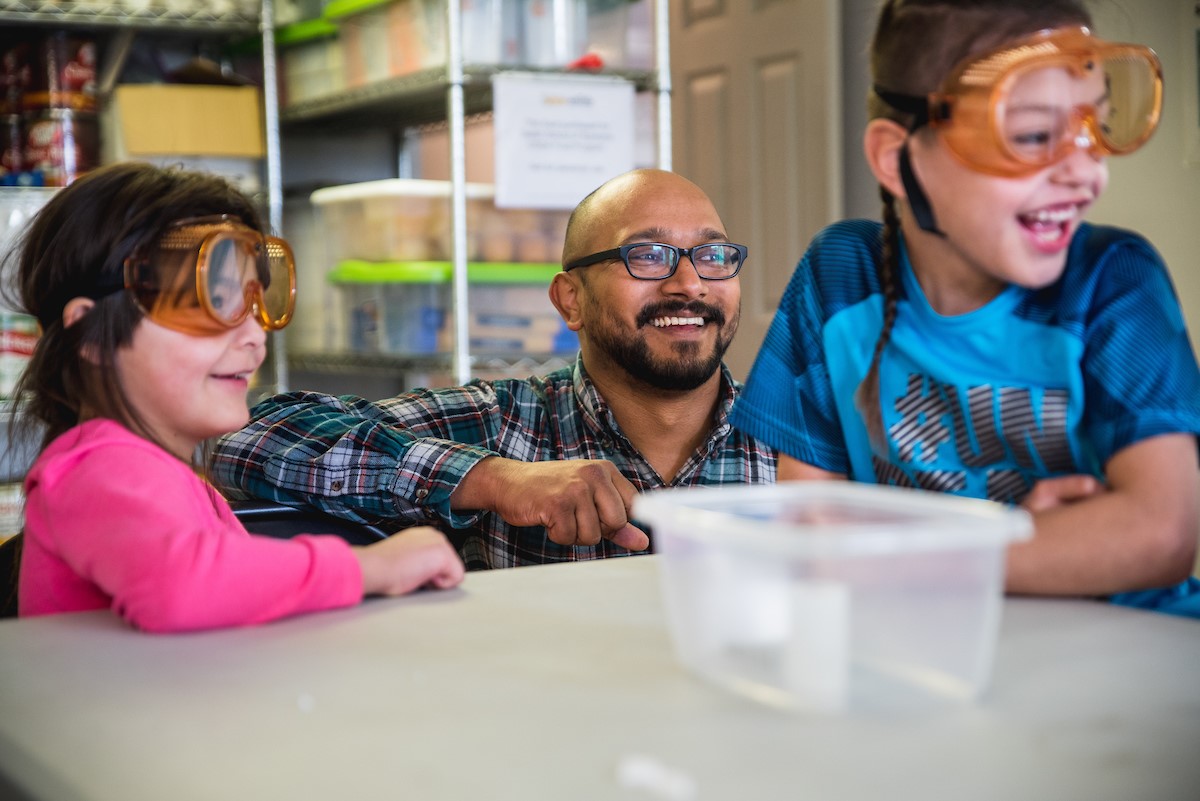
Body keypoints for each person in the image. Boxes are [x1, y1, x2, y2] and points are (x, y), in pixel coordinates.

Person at [730, 0, 1200, 617]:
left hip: (1127, 650)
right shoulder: (840, 276)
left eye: (1096, 128)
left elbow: (1160, 533)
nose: (1086, 174)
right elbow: (808, 526)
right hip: (934, 645)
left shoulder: (1112, 281)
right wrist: (1020, 543)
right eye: (1033, 136)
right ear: (897, 158)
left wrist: (925, 556)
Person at [211, 169, 777, 570]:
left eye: (714, 255)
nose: (690, 284)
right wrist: (494, 480)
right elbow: (245, 438)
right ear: (569, 299)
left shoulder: (796, 445)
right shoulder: (503, 424)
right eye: (647, 255)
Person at [8, 161, 464, 632]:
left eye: (253, 302)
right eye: (210, 302)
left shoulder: (158, 473)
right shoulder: (100, 466)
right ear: (91, 334)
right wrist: (370, 568)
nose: (255, 336)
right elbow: (185, 587)